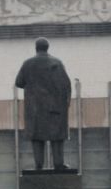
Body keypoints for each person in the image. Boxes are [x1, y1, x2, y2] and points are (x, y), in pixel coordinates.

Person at [14, 37, 73, 171]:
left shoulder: (28, 64)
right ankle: (58, 163)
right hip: (54, 107)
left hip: (35, 108)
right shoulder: (57, 63)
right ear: (47, 47)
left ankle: (38, 165)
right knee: (57, 136)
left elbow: (19, 82)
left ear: (36, 48)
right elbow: (66, 84)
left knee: (37, 136)